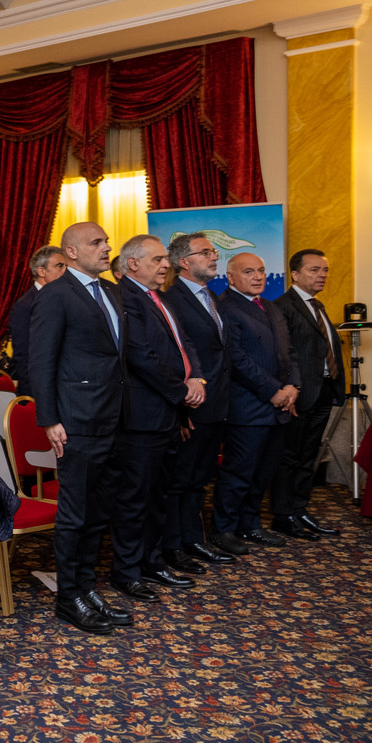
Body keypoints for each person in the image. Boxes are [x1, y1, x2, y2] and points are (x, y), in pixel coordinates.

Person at [29, 222, 129, 635]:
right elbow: (41, 360)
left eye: (106, 241)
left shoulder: (111, 291)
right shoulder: (56, 295)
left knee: (99, 512)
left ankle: (87, 588)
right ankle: (69, 597)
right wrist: (50, 419)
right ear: (71, 252)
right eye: (96, 242)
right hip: (76, 421)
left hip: (114, 417)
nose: (107, 248)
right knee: (75, 514)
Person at [111, 235, 204, 603]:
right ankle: (127, 572)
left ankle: (152, 562)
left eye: (166, 258)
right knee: (134, 499)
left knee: (159, 495)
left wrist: (196, 378)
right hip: (141, 416)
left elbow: (184, 345)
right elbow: (140, 356)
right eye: (158, 259)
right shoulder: (124, 298)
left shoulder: (158, 297)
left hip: (167, 413)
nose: (167, 264)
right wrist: (181, 391)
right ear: (133, 264)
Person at [213, 252, 299, 554]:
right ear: (230, 277)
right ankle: (224, 529)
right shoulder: (225, 307)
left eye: (261, 270)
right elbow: (236, 360)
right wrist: (273, 390)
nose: (258, 276)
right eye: (248, 271)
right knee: (238, 472)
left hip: (278, 406)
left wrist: (293, 385)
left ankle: (250, 525)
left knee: (263, 472)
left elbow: (288, 352)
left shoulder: (271, 307)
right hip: (247, 406)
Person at [160, 233, 237, 570]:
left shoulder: (211, 296)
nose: (214, 256)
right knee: (179, 480)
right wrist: (180, 410)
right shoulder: (171, 299)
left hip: (216, 404)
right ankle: (172, 546)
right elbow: (174, 357)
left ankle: (193, 540)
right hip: (189, 407)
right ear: (183, 262)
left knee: (199, 479)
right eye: (205, 252)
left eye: (214, 251)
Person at [271, 249, 344, 539]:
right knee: (289, 456)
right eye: (314, 270)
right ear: (295, 274)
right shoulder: (283, 306)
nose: (322, 275)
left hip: (323, 390)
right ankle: (283, 515)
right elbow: (283, 354)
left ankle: (299, 509)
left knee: (308, 455)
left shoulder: (318, 305)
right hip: (298, 394)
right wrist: (291, 388)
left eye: (324, 270)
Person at [8, 246, 65, 395]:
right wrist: (33, 396)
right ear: (41, 271)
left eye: (66, 266)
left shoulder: (64, 299)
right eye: (59, 266)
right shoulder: (25, 305)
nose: (65, 271)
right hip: (38, 391)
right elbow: (23, 356)